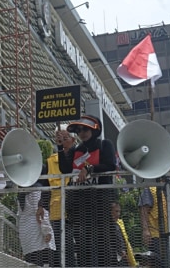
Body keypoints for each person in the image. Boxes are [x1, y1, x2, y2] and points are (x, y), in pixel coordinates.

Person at [59, 114, 118, 267]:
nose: (82, 133)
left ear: (95, 130)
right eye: (79, 130)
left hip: (99, 202)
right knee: (82, 244)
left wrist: (89, 169)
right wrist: (60, 147)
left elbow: (110, 164)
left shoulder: (105, 145)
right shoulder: (76, 149)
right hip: (79, 204)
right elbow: (64, 169)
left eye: (85, 129)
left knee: (102, 243)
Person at [37, 127, 77, 267]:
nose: (62, 142)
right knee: (57, 250)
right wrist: (41, 205)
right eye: (59, 139)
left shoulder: (79, 157)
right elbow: (46, 186)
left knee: (72, 251)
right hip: (56, 214)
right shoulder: (50, 161)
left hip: (75, 212)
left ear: (73, 140)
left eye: (65, 139)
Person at [18, 165, 55, 267]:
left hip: (27, 237)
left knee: (32, 264)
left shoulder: (22, 192)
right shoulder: (37, 190)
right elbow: (42, 214)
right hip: (39, 237)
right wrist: (47, 231)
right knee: (45, 264)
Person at [109, 201, 137, 267]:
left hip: (121, 256)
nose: (118, 214)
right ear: (110, 212)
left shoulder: (118, 224)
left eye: (119, 211)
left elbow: (123, 239)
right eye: (116, 211)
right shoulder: (108, 226)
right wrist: (121, 250)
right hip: (114, 257)